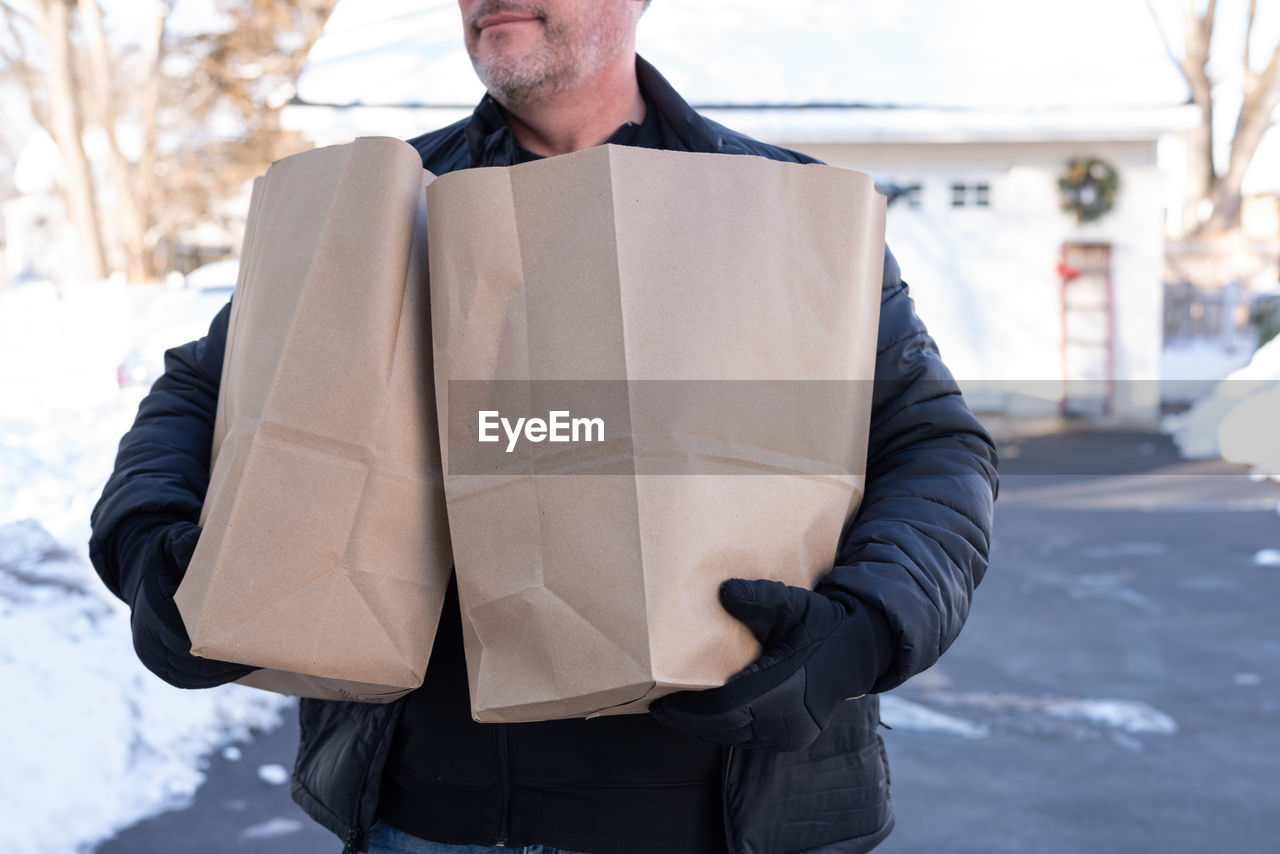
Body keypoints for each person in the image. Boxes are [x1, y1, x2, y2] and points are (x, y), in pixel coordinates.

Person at [89, 2, 999, 852]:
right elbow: (203, 389)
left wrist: (868, 627)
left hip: (717, 819)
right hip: (424, 815)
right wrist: (147, 545)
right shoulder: (373, 211)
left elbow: (932, 446)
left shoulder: (788, 215)